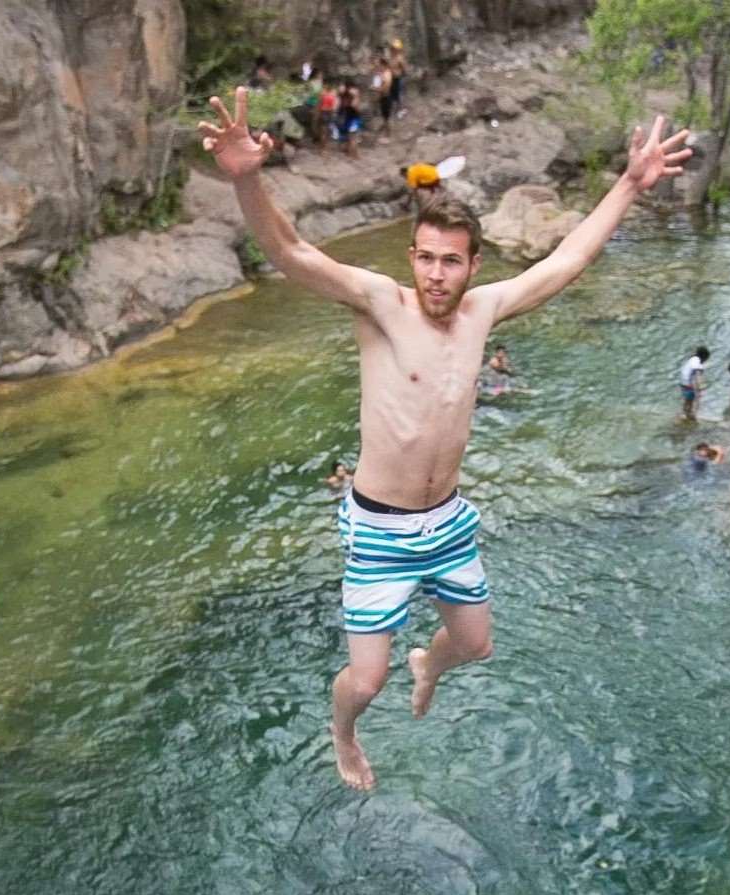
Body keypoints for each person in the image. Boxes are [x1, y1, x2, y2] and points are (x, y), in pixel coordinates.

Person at [199, 90, 692, 790]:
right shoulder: (379, 303)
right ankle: (343, 734)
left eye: (451, 262)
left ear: (474, 264)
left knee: (475, 643)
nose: (436, 275)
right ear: (411, 258)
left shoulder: (484, 312)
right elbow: (291, 249)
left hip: (448, 519)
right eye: (426, 259)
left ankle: (428, 664)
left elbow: (567, 259)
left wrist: (629, 183)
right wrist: (247, 175)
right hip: (378, 525)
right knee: (365, 683)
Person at [678, 345, 710, 420]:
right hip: (688, 385)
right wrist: (700, 386)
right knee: (691, 402)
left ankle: (684, 415)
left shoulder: (693, 359)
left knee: (687, 402)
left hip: (683, 383)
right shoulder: (697, 361)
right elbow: (697, 374)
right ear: (704, 357)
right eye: (706, 359)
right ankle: (689, 416)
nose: (705, 361)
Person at [371, 52, 396, 139]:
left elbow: (385, 88)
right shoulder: (383, 73)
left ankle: (388, 134)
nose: (378, 66)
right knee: (384, 115)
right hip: (383, 96)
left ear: (383, 64)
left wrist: (375, 88)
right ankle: (385, 129)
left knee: (386, 116)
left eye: (379, 65)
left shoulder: (387, 74)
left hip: (386, 96)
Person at [335, 82, 363, 158]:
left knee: (352, 136)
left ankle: (353, 153)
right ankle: (352, 153)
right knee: (352, 136)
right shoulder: (346, 97)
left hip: (352, 118)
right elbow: (356, 108)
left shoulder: (348, 97)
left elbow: (356, 108)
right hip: (351, 118)